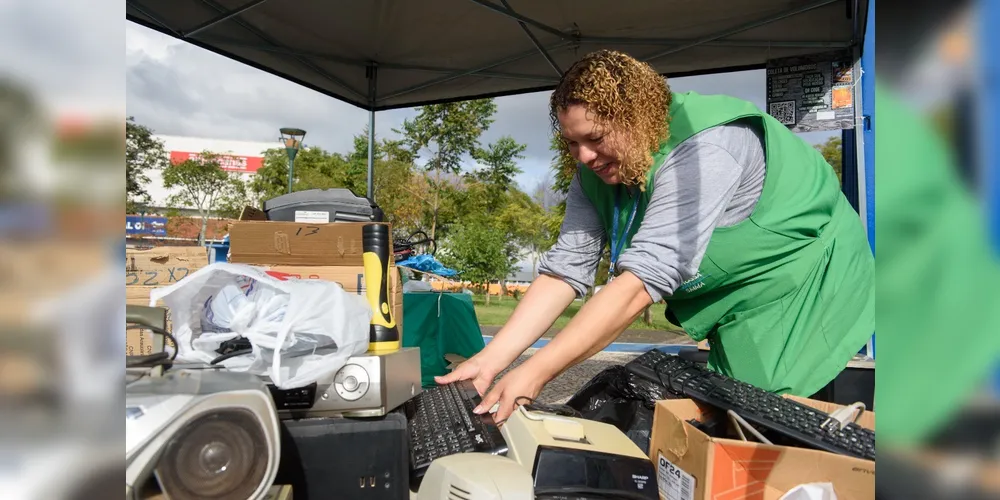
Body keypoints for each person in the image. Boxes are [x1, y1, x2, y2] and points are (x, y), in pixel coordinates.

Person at [437, 49, 875, 424]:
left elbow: (642, 282)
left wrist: (536, 372)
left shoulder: (708, 149)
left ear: (639, 119)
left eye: (595, 138)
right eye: (572, 143)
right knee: (723, 415)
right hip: (735, 293)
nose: (584, 156)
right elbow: (564, 273)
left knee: (761, 421)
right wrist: (489, 363)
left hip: (805, 281)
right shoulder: (592, 174)